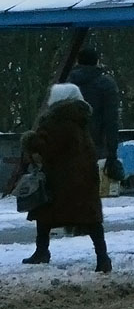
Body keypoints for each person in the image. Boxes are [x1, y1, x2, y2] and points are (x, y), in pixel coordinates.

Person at [20, 83, 112, 273]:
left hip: (62, 178)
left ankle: (42, 251)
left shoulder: (58, 121)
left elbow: (48, 147)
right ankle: (102, 257)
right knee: (90, 218)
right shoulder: (79, 119)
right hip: (83, 177)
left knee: (45, 213)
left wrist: (30, 140)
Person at [68, 46, 120, 166]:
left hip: (69, 146)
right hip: (96, 146)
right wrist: (112, 153)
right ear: (97, 62)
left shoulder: (66, 84)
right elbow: (111, 120)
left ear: (78, 61)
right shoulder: (106, 85)